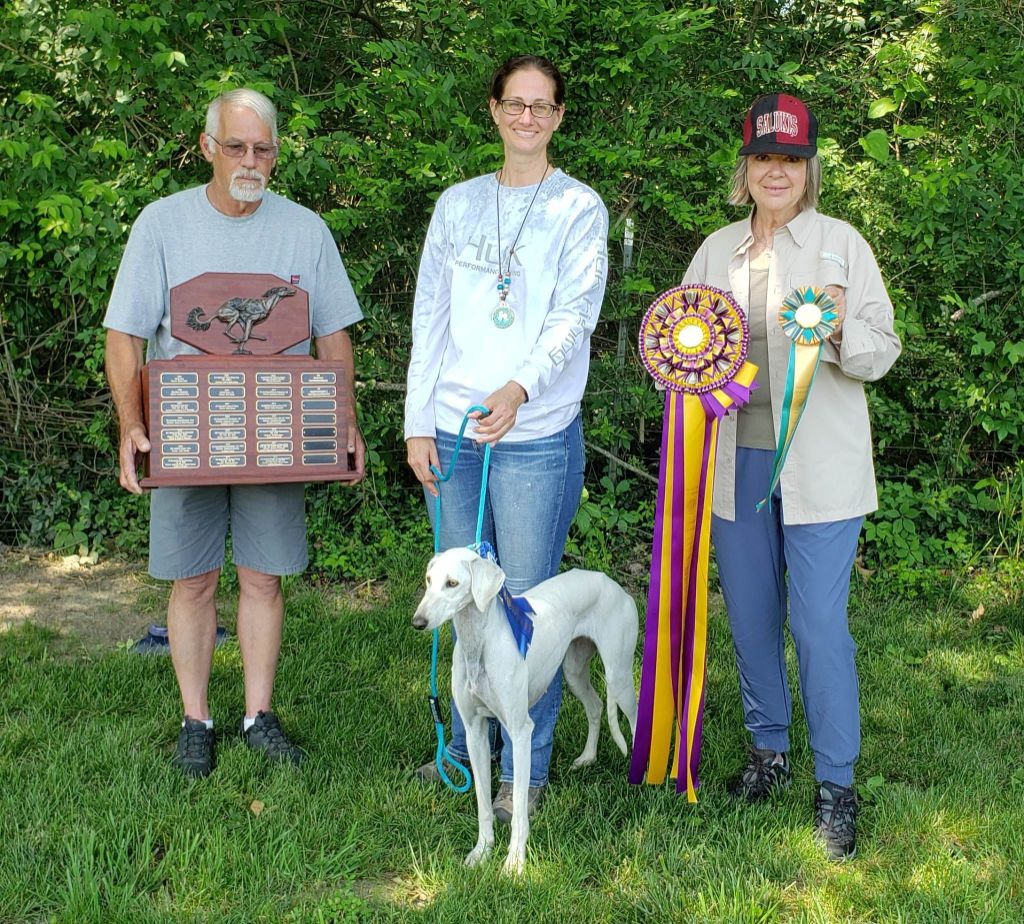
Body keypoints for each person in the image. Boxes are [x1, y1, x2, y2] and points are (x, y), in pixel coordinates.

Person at [104, 87, 365, 778]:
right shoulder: (161, 225)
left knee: (264, 578)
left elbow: (333, 334)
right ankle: (197, 719)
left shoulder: (306, 230)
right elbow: (125, 335)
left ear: (277, 152)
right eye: (237, 146)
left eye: (264, 148)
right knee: (191, 582)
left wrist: (344, 421)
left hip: (275, 433)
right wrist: (133, 424)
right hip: (184, 432)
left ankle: (258, 715)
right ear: (208, 148)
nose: (251, 160)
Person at [680, 93, 901, 859]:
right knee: (750, 619)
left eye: (792, 159)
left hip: (821, 466)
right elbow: (680, 353)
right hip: (733, 463)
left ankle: (836, 785)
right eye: (764, 157)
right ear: (745, 168)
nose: (778, 171)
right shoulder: (714, 253)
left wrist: (836, 330)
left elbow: (883, 349)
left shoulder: (842, 245)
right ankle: (768, 753)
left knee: (816, 625)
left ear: (809, 171)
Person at [404, 55, 608, 821]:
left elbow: (575, 314)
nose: (527, 118)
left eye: (542, 107)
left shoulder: (580, 208)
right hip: (453, 436)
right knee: (461, 603)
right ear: (493, 110)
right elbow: (430, 314)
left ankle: (535, 762)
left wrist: (520, 388)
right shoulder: (457, 204)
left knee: (523, 605)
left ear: (558, 117)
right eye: (514, 104)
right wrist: (417, 420)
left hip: (536, 430)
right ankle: (463, 750)